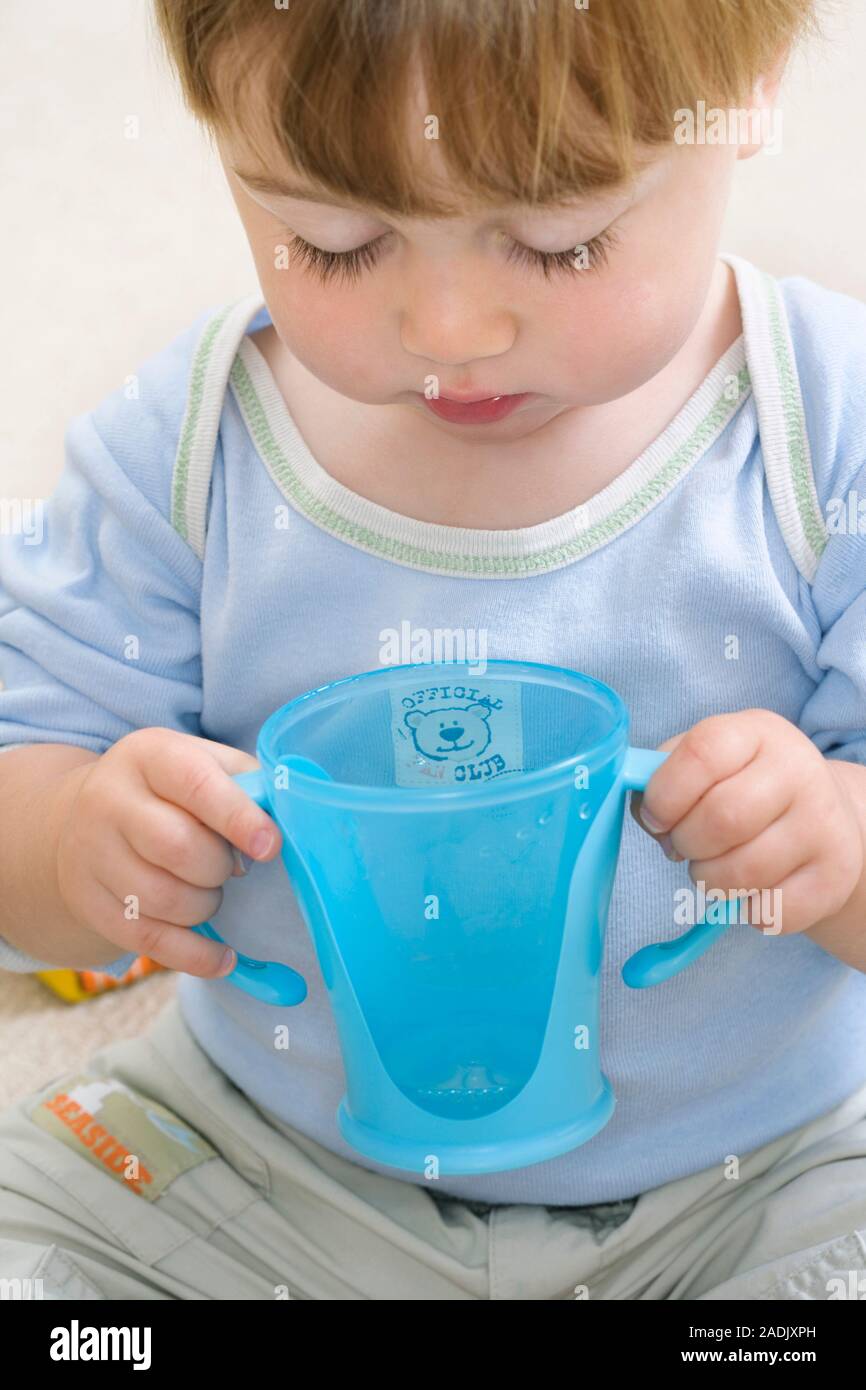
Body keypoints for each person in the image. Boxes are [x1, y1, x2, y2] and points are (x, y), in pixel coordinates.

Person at [1, 0, 865, 1301]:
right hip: (259, 1164)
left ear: (741, 92)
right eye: (334, 243)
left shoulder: (823, 438)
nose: (446, 330)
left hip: (751, 1181)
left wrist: (831, 844)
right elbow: (25, 795)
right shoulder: (188, 454)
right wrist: (78, 840)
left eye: (560, 245)